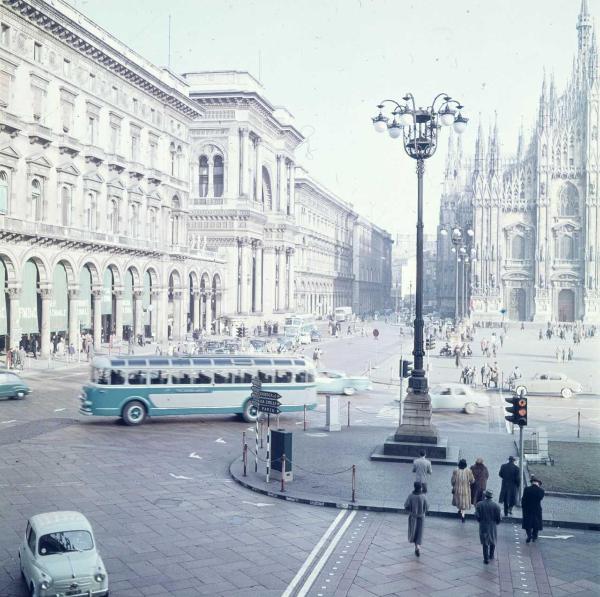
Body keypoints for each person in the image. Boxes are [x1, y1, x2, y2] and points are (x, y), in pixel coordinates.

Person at [475, 489, 502, 564]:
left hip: (483, 525)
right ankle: (491, 555)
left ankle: (486, 559)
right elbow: (499, 518)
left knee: (485, 542)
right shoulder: (496, 506)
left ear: (485, 495)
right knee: (493, 540)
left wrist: (480, 521)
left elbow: (477, 515)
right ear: (491, 497)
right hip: (492, 526)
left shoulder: (479, 504)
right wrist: (497, 523)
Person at [404, 482, 428, 557]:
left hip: (413, 517)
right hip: (421, 517)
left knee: (413, 531)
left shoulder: (411, 496)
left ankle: (416, 547)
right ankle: (417, 547)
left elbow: (406, 505)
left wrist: (410, 511)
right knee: (419, 532)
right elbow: (427, 507)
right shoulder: (423, 496)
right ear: (420, 488)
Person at [521, 476, 545, 543]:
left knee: (527, 523)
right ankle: (534, 536)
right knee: (536, 523)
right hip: (537, 509)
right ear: (538, 483)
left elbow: (523, 499)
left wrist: (523, 507)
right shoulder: (541, 491)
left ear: (532, 483)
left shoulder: (527, 489)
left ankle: (529, 535)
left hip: (527, 509)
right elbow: (540, 498)